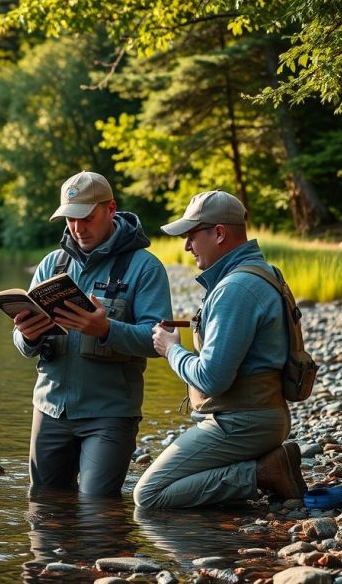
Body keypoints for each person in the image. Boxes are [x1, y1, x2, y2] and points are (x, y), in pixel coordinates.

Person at [134, 190, 307, 509]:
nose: (186, 246)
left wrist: (171, 349)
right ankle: (267, 465)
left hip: (244, 422)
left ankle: (263, 472)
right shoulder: (263, 273)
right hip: (263, 415)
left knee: (149, 495)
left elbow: (211, 380)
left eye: (191, 236)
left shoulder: (235, 289)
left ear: (218, 233)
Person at [11, 170, 172, 496]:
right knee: (44, 506)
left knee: (97, 508)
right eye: (69, 219)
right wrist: (26, 336)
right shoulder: (50, 265)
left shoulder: (144, 267)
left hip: (110, 414)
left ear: (110, 209)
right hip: (50, 408)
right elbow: (21, 344)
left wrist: (106, 329)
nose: (77, 228)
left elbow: (158, 342)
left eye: (86, 217)